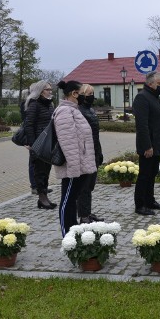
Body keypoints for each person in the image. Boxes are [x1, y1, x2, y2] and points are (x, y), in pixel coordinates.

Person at [53, 80, 96, 236]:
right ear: (74, 94)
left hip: (80, 165)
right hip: (73, 167)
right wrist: (74, 167)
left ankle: (73, 230)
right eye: (82, 93)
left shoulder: (74, 110)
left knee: (72, 200)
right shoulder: (65, 111)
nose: (85, 97)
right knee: (68, 201)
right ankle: (67, 233)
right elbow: (68, 143)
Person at [132, 71, 160, 216]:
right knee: (144, 175)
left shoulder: (155, 96)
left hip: (157, 143)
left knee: (152, 173)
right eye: (159, 83)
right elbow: (142, 125)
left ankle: (150, 200)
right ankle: (140, 205)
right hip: (148, 145)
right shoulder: (142, 98)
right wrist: (147, 146)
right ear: (150, 83)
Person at [24, 80, 56, 209]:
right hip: (38, 142)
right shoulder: (34, 105)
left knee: (46, 169)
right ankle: (41, 197)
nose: (50, 91)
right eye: (48, 89)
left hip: (48, 142)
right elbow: (29, 125)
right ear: (41, 91)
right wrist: (32, 144)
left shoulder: (49, 104)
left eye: (50, 89)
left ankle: (45, 196)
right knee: (39, 170)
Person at [77, 84, 105, 223]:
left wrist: (99, 152)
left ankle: (87, 212)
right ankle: (83, 215)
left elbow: (96, 135)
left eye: (93, 93)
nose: (91, 96)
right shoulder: (79, 111)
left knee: (90, 185)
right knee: (84, 186)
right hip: (85, 152)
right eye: (88, 94)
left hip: (94, 150)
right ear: (81, 95)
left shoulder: (91, 110)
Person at [19, 85, 37, 194]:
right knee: (33, 162)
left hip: (37, 135)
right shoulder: (26, 105)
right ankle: (34, 186)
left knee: (39, 163)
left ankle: (40, 185)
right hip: (32, 137)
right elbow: (27, 123)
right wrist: (28, 141)